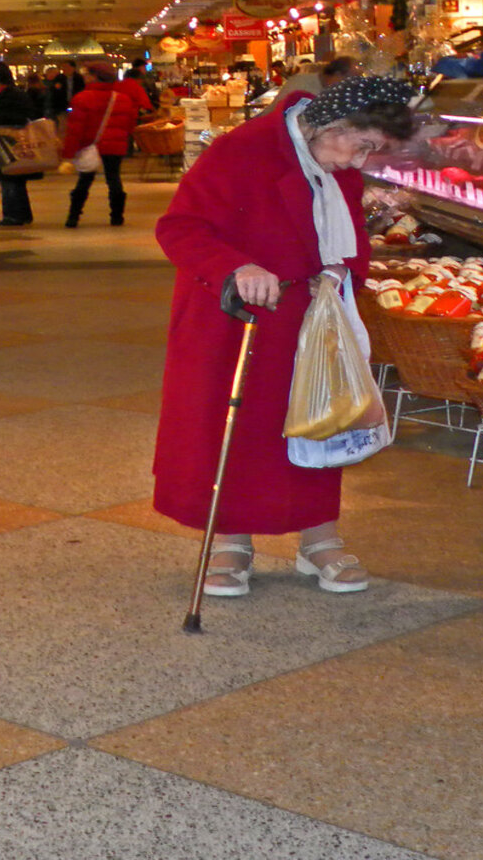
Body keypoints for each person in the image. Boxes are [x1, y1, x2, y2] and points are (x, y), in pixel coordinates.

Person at [151, 76, 420, 597]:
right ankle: (232, 538)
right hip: (238, 315)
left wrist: (343, 272)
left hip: (311, 313)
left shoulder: (331, 160)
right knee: (242, 425)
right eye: (361, 145)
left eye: (374, 151)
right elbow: (179, 227)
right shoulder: (242, 149)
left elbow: (350, 238)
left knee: (324, 416)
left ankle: (320, 537)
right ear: (332, 125)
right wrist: (236, 266)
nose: (361, 162)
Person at [60, 59, 150, 228]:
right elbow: (129, 124)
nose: (85, 77)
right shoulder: (122, 99)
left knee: (84, 180)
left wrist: (68, 154)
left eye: (88, 74)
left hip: (89, 145)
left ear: (95, 77)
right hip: (115, 145)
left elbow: (75, 130)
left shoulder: (82, 98)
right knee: (114, 178)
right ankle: (117, 217)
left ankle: (73, 217)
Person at [0, 61, 43, 227]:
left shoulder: (13, 94)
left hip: (12, 140)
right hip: (6, 139)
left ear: (0, 74)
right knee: (15, 178)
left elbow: (25, 114)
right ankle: (23, 214)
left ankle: (13, 216)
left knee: (11, 177)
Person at [275, 54, 359, 105]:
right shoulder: (303, 85)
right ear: (337, 74)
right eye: (351, 79)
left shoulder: (326, 88)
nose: (351, 84)